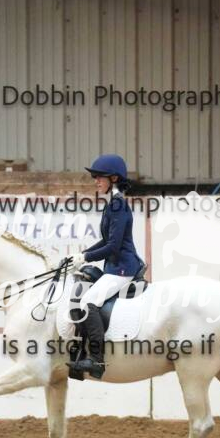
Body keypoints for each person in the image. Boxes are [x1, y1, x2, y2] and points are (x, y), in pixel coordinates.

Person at [67, 154, 144, 379]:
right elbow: (105, 240)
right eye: (95, 177)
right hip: (115, 266)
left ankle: (97, 360)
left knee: (88, 302)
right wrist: (82, 255)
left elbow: (113, 246)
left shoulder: (118, 205)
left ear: (114, 178)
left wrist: (87, 257)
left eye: (99, 177)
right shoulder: (112, 204)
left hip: (122, 268)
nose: (96, 181)